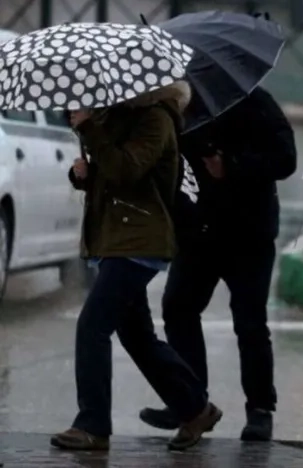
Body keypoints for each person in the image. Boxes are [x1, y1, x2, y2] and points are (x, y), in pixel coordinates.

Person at [51, 81, 222, 452]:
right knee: (137, 337)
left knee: (92, 326)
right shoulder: (122, 117)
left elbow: (127, 171)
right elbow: (112, 177)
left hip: (139, 239)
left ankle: (93, 424)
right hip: (116, 238)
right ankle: (195, 408)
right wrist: (83, 175)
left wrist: (90, 129)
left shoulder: (156, 120)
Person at [138, 85, 297, 441]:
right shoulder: (180, 108)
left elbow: (285, 159)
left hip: (249, 235)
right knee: (178, 309)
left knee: (250, 323)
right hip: (200, 232)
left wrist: (232, 164)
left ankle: (260, 408)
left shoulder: (253, 101)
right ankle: (191, 403)